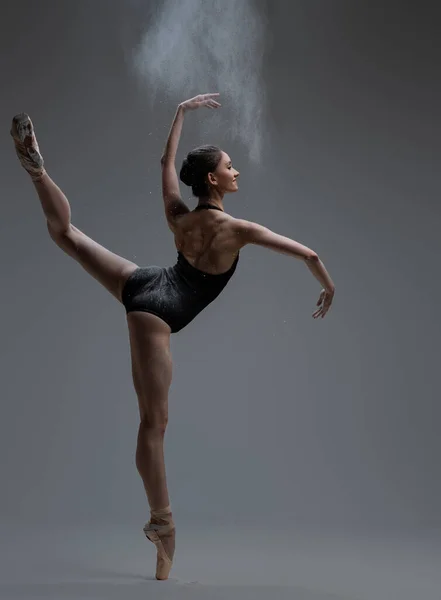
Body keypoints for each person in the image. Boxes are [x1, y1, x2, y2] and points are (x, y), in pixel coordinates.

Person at [10, 93, 335, 580]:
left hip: (145, 281)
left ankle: (37, 172)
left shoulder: (177, 216)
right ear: (213, 179)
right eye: (230, 166)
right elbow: (307, 255)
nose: (236, 171)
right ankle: (162, 523)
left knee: (68, 236)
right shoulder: (240, 229)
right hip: (158, 312)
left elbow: (165, 162)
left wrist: (181, 112)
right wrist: (327, 285)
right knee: (154, 426)